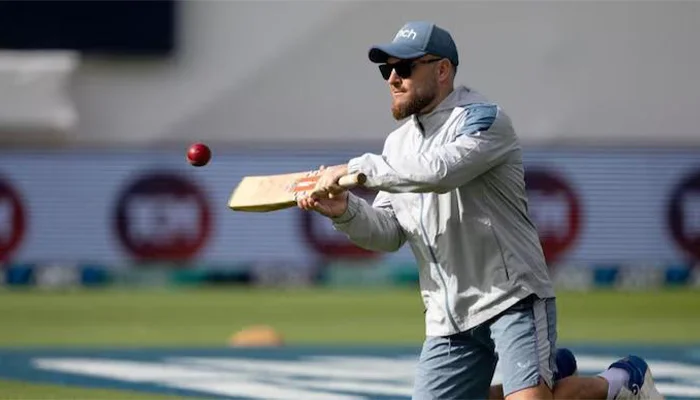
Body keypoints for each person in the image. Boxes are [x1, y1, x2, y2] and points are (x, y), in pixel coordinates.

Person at [297, 20, 664, 400]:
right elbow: (389, 232)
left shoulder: (484, 119)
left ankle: (623, 383)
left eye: (404, 68)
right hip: (448, 316)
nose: (393, 78)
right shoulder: (397, 145)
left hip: (511, 297)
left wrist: (357, 170)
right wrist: (344, 210)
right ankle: (551, 372)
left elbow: (439, 172)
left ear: (442, 70)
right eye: (385, 69)